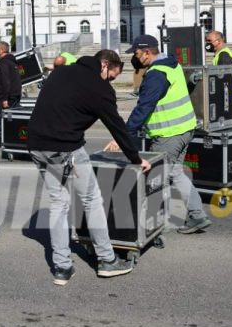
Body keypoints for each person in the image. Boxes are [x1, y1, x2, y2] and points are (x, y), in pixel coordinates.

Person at [28, 49, 150, 285]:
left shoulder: (61, 72)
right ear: (105, 64)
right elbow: (117, 127)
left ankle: (62, 268)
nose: (110, 81)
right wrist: (136, 159)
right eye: (112, 76)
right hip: (66, 148)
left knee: (58, 203)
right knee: (92, 200)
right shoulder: (100, 89)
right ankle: (107, 260)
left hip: (36, 145)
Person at [109, 35, 211, 235]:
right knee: (174, 172)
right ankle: (197, 215)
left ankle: (152, 228)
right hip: (185, 129)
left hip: (168, 135)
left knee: (153, 178)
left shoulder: (156, 75)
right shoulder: (172, 64)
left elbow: (143, 108)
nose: (135, 58)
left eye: (137, 54)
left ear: (147, 53)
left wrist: (123, 137)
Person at [206, 30, 232, 127]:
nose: (207, 43)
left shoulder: (224, 55)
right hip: (228, 98)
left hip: (228, 99)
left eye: (209, 40)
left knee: (229, 126)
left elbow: (223, 80)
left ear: (218, 41)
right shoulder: (220, 54)